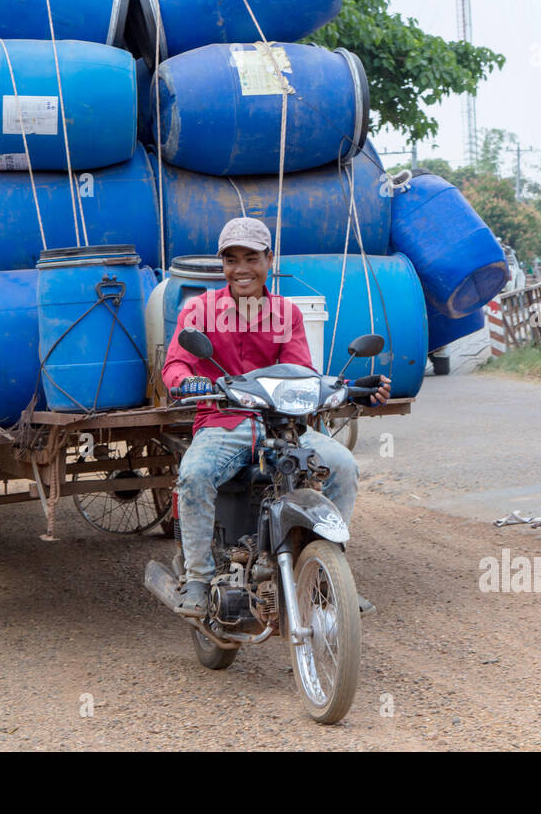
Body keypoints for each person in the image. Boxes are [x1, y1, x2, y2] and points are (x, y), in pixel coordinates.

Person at [163, 217, 391, 617]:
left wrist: (356, 388)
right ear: (223, 265)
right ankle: (197, 578)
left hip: (282, 427)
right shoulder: (198, 311)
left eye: (251, 257)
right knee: (194, 474)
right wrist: (190, 382)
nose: (241, 268)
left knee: (343, 464)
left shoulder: (287, 314)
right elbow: (175, 368)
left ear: (269, 259)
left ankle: (325, 574)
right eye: (231, 259)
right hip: (223, 423)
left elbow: (301, 374)